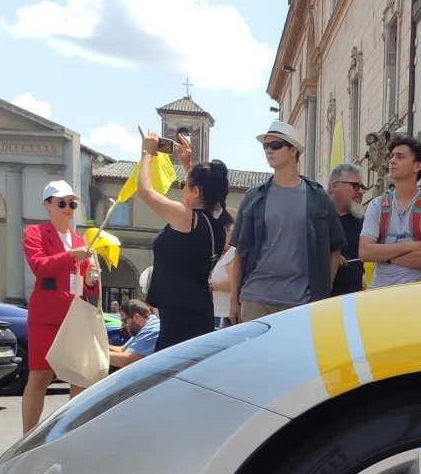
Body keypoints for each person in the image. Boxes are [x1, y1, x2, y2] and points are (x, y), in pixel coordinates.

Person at [229, 120, 346, 321]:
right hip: (255, 297)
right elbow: (240, 251)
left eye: (275, 146)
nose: (268, 151)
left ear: (293, 150)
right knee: (258, 354)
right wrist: (234, 301)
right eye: (266, 146)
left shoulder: (318, 197)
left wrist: (321, 293)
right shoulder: (253, 197)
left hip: (300, 301)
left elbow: (335, 250)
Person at [136, 127, 230, 350]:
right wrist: (188, 164)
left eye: (184, 185)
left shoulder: (185, 217)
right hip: (197, 313)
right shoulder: (216, 225)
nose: (182, 189)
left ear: (195, 191)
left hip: (179, 319)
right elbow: (203, 193)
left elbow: (144, 191)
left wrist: (147, 153)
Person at [21, 179, 102, 434]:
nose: (68, 208)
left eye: (72, 203)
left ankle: (69, 433)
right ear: (48, 204)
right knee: (40, 376)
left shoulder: (81, 239)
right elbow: (39, 266)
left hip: (74, 314)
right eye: (62, 203)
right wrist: (70, 257)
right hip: (46, 315)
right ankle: (28, 436)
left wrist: (91, 280)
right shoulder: (34, 233)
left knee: (79, 378)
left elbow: (88, 285)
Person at [359, 135, 421, 286]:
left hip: (418, 293)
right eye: (392, 156)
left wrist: (384, 255)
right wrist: (410, 246)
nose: (392, 161)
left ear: (417, 166)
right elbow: (364, 252)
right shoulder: (377, 205)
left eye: (401, 157)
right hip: (381, 293)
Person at [328, 163, 367, 294]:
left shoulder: (366, 223)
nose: (361, 192)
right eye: (355, 186)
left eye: (362, 187)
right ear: (335, 186)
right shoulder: (316, 219)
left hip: (355, 301)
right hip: (320, 302)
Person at [109, 299, 158, 368]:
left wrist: (95, 353)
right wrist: (99, 345)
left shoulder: (152, 329)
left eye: (124, 321)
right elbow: (121, 350)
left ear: (136, 317)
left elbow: (127, 360)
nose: (124, 325)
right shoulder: (143, 328)